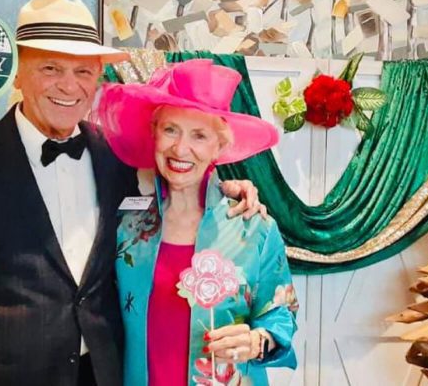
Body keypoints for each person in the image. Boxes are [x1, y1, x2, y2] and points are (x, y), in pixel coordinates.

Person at [0, 0, 263, 386]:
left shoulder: (117, 156)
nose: (69, 86)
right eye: (51, 68)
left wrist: (225, 188)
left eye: (84, 72)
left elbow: (177, 183)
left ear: (98, 78)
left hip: (98, 376)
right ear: (18, 73)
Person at [95, 59, 299, 386]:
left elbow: (282, 314)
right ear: (154, 135)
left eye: (199, 135)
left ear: (220, 146)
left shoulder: (253, 227)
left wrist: (258, 340)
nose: (181, 148)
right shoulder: (126, 224)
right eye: (170, 130)